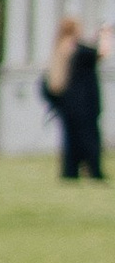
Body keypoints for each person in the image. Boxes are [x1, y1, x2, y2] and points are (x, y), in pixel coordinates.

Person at [42, 15, 103, 180]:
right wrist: (105, 35)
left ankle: (70, 172)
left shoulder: (60, 49)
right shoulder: (78, 50)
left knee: (71, 140)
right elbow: (99, 53)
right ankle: (94, 171)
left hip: (67, 105)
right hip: (83, 105)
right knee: (89, 139)